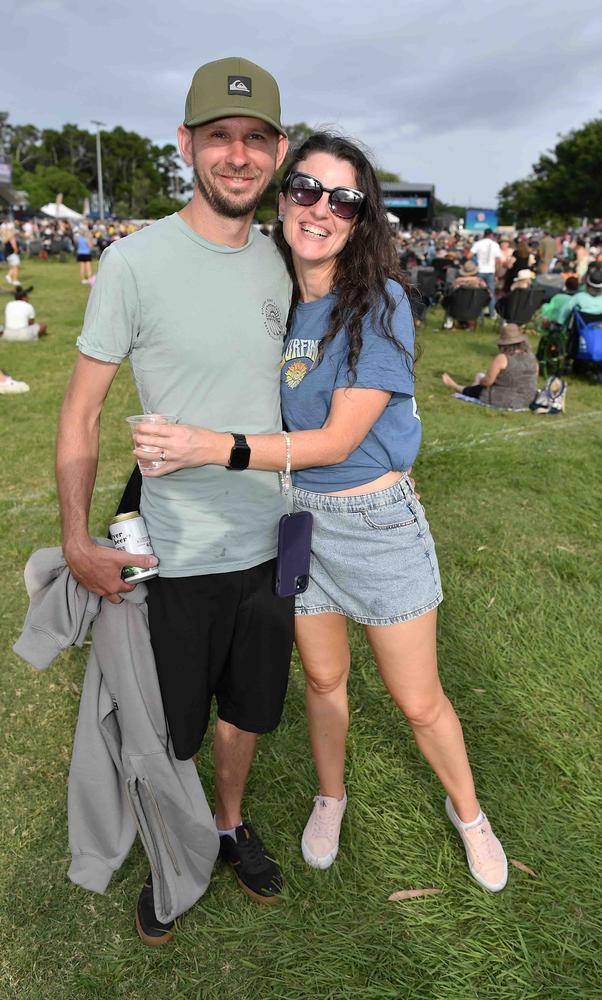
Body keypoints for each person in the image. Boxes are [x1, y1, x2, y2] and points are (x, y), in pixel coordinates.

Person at [135, 131, 508, 895]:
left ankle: (470, 813)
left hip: (373, 525)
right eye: (306, 189)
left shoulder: (381, 302)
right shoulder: (271, 298)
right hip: (295, 518)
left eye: (344, 199)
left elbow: (339, 438)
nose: (321, 209)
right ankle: (329, 796)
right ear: (283, 195)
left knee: (417, 697)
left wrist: (211, 446)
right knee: (324, 679)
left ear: (361, 217)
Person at [56, 57, 293, 946]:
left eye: (256, 139)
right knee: (172, 727)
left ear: (275, 151)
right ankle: (174, 847)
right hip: (175, 549)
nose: (238, 156)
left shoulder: (287, 262)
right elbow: (80, 415)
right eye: (220, 137)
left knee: (248, 709)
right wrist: (77, 537)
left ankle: (227, 826)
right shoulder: (135, 261)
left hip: (273, 540)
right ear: (187, 144)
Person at [441, 323, 538, 408]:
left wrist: (481, 382)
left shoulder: (503, 358)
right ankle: (471, 386)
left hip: (504, 399)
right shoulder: (532, 357)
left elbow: (487, 381)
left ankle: (456, 386)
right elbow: (534, 377)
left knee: (480, 386)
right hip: (528, 398)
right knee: (479, 377)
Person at [469, 229, 500, 318]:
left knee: (479, 293)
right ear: (491, 235)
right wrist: (497, 274)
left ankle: (479, 314)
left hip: (480, 270)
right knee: (491, 293)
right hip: (491, 271)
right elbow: (498, 261)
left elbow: (469, 256)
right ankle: (492, 314)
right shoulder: (495, 245)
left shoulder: (478, 244)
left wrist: (476, 262)